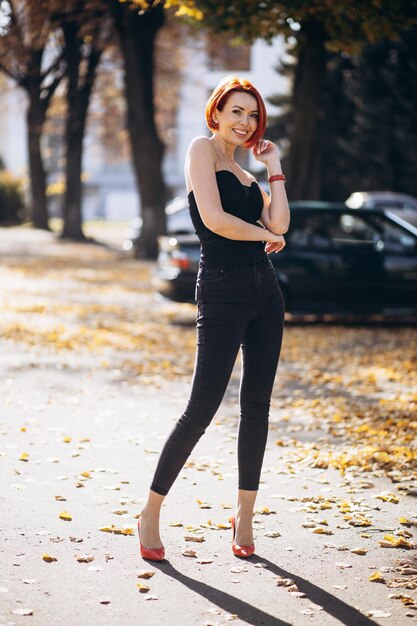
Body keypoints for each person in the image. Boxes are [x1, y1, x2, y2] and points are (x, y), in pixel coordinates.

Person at [138, 75, 290, 561]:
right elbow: (215, 220)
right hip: (222, 288)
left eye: (252, 115)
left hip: (266, 291)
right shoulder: (201, 151)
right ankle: (150, 511)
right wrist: (264, 234)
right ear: (217, 114)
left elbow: (280, 224)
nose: (245, 123)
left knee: (258, 406)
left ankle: (244, 515)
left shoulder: (248, 174)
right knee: (201, 407)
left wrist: (275, 168)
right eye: (236, 112)